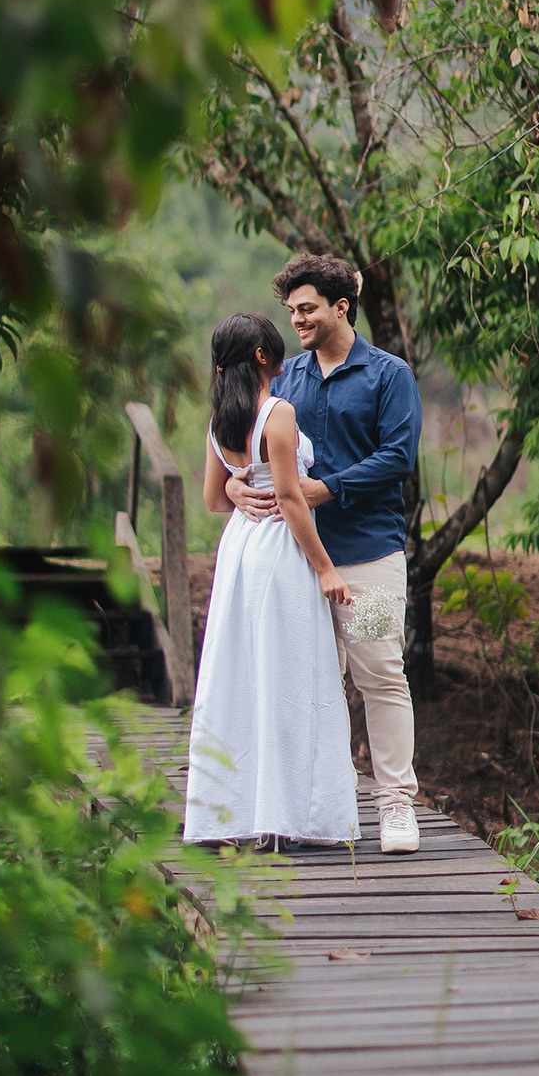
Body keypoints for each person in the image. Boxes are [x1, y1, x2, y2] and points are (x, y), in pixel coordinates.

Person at [223, 254, 423, 854]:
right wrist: (233, 483)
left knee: (381, 674)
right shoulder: (286, 382)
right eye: (291, 311)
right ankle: (308, 806)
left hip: (368, 558)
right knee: (308, 681)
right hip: (296, 563)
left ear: (342, 306)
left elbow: (398, 456)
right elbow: (245, 440)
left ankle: (395, 806)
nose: (297, 320)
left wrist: (328, 487)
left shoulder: (389, 376)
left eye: (306, 308)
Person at [182, 312, 361, 852]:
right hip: (280, 549)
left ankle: (236, 810)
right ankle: (282, 818)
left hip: (238, 550)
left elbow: (214, 501)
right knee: (289, 673)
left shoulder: (222, 420)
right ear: (263, 357)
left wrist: (238, 489)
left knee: (240, 674)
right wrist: (326, 568)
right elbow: (288, 498)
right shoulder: (276, 413)